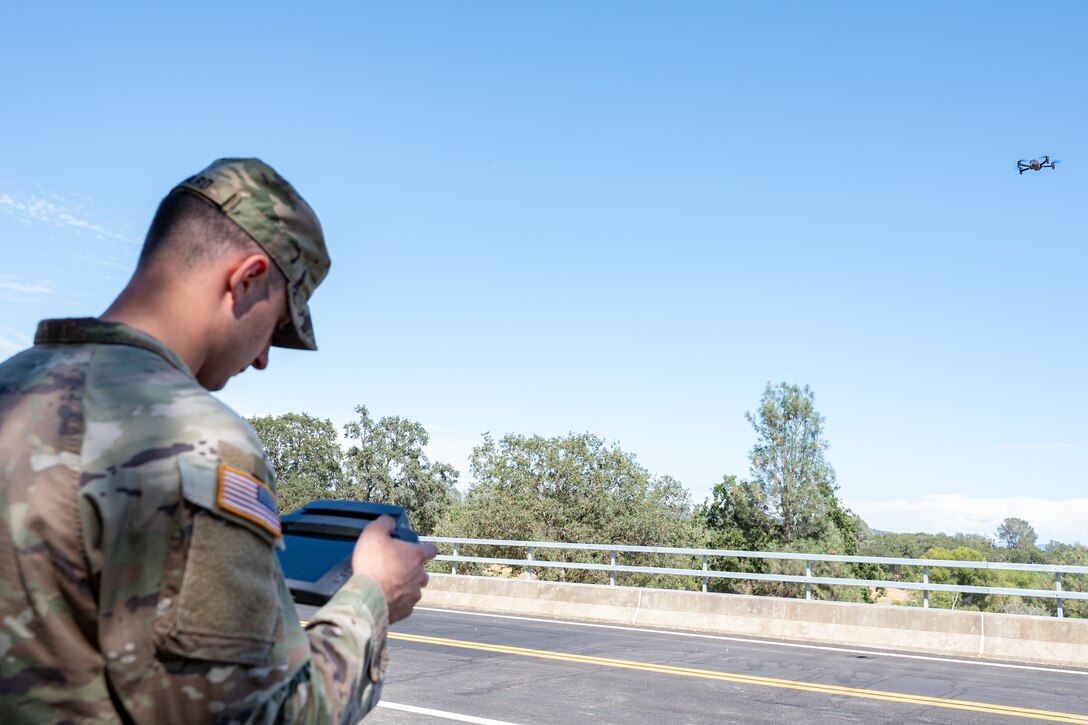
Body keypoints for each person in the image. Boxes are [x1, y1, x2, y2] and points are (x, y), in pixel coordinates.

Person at [0, 158, 437, 723]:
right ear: (247, 278)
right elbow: (259, 716)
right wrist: (374, 594)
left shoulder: (12, 386)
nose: (261, 359)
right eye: (278, 327)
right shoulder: (194, 440)